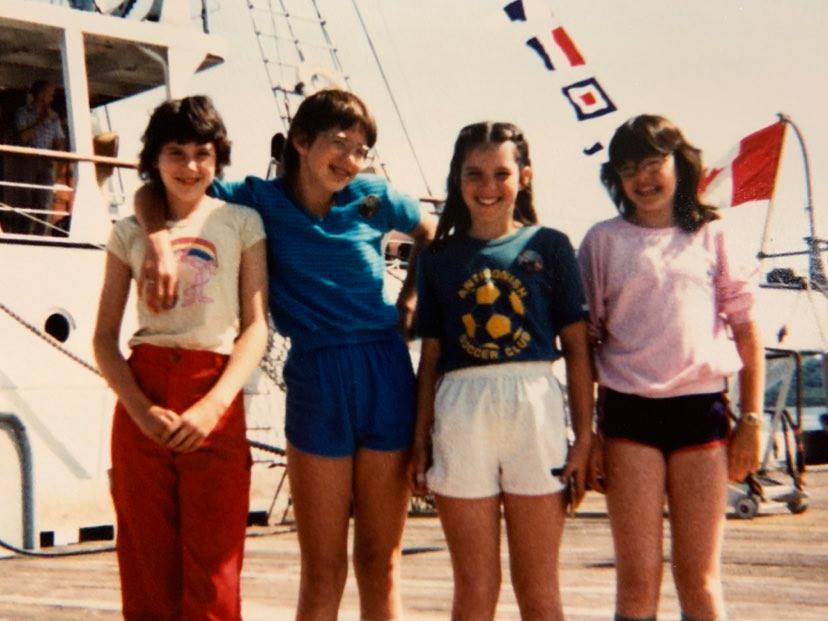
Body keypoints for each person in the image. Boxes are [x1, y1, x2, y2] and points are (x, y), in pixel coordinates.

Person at [136, 89, 436, 620]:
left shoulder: (373, 196)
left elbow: (432, 233)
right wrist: (158, 242)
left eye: (361, 150)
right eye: (339, 145)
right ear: (300, 142)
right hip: (317, 375)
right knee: (323, 568)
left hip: (385, 370)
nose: (350, 160)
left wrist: (411, 294)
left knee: (379, 561)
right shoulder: (258, 200)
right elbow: (153, 190)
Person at [578, 114, 764, 621]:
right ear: (616, 178)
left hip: (701, 412)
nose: (644, 178)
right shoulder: (602, 242)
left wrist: (750, 420)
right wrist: (589, 434)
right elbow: (585, 344)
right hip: (627, 419)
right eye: (629, 168)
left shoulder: (712, 234)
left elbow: (747, 333)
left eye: (653, 163)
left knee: (699, 579)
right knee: (638, 582)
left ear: (679, 164)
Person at [93, 95, 269, 620]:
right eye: (176, 153)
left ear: (218, 159)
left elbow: (256, 326)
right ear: (153, 159)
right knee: (147, 565)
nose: (190, 167)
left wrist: (214, 405)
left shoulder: (241, 222)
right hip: (144, 392)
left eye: (202, 153)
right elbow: (104, 337)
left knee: (215, 571)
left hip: (212, 388)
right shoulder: (129, 233)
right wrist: (139, 408)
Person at [411, 121, 593, 620]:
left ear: (525, 177)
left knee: (539, 590)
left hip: (533, 406)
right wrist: (420, 437)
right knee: (474, 589)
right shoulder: (439, 258)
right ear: (458, 179)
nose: (488, 187)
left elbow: (577, 349)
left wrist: (583, 439)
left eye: (501, 173)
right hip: (462, 411)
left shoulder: (551, 246)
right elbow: (429, 358)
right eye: (475, 174)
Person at [14, 80, 66, 234]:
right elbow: (23, 137)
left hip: (46, 163)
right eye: (49, 93)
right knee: (27, 201)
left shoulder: (54, 117)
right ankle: (24, 237)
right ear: (40, 94)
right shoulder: (23, 113)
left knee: (45, 203)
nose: (51, 97)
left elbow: (60, 142)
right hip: (28, 161)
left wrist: (58, 148)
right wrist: (41, 121)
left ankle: (42, 237)